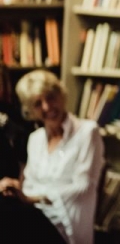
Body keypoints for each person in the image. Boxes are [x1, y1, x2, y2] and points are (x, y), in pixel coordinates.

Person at [0, 69, 105, 244]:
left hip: (66, 223)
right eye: (37, 103)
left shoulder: (88, 132)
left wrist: (34, 198)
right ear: (30, 110)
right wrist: (15, 190)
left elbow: (83, 186)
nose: (47, 107)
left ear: (61, 95)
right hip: (35, 218)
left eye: (50, 97)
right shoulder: (35, 139)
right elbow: (30, 186)